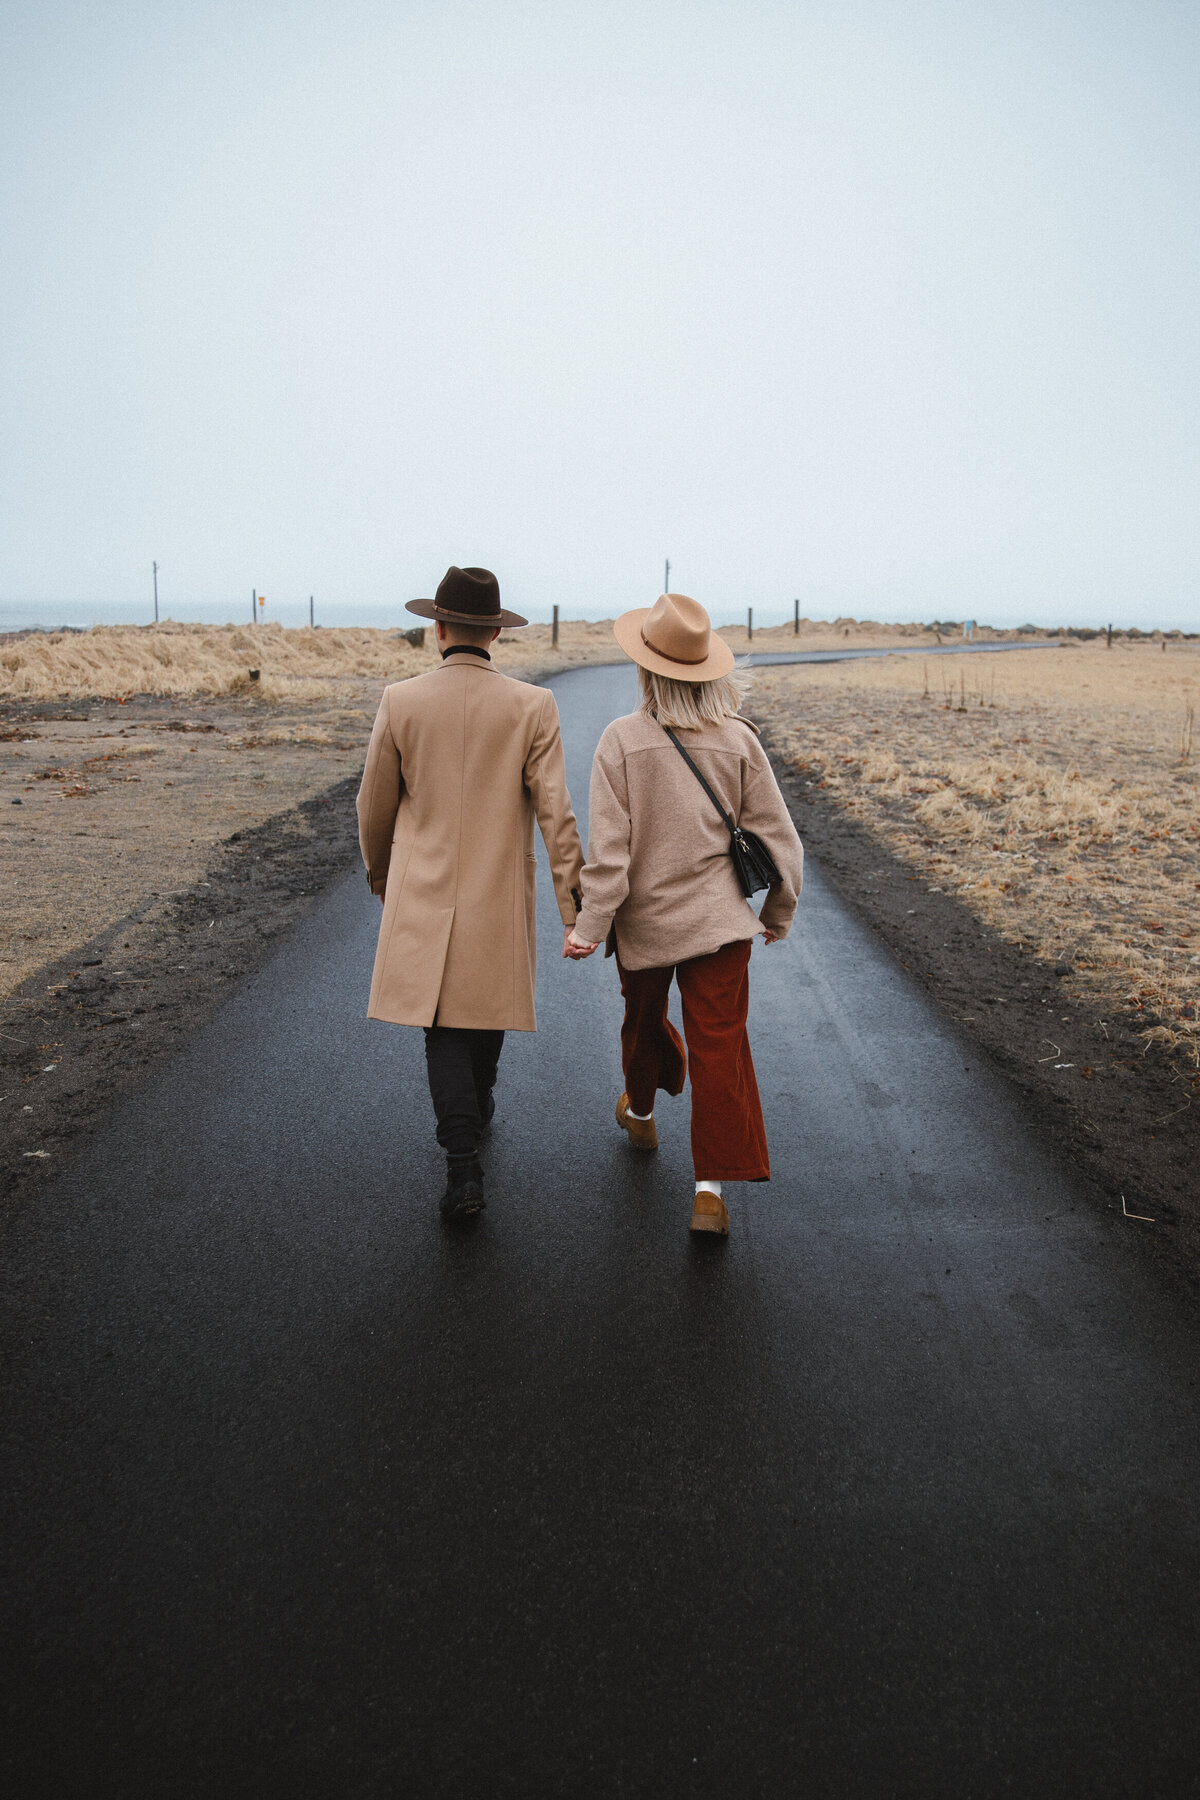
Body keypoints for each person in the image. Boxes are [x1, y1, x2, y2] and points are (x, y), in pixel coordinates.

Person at [357, 566, 591, 1221]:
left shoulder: (400, 702)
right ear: (494, 631)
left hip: (423, 892)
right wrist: (578, 908)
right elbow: (557, 813)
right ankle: (472, 1128)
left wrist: (381, 876)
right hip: (497, 897)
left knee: (443, 1023)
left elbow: (372, 808)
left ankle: (464, 1159)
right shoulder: (531, 707)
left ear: (437, 628)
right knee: (478, 1014)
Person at [565, 592, 803, 1236]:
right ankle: (709, 1193)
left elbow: (609, 860)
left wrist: (589, 930)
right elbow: (784, 844)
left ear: (645, 668)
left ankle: (641, 1114)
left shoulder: (620, 741)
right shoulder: (740, 741)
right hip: (722, 929)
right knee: (719, 1046)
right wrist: (777, 913)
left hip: (645, 926)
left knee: (642, 1023)